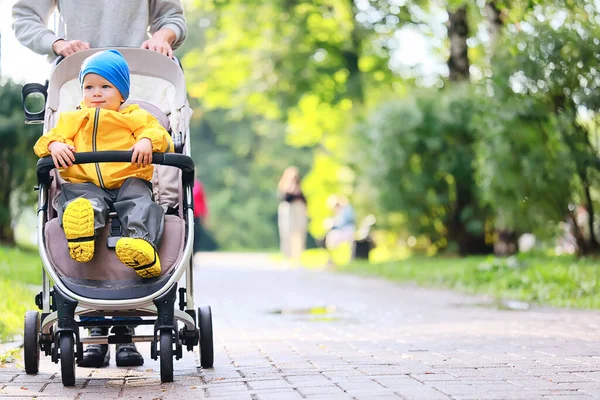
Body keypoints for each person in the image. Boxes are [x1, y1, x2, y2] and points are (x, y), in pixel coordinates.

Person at [14, 0, 187, 369]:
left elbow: (156, 132)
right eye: (89, 88)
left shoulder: (135, 114)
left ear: (121, 94)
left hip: (128, 176)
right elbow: (48, 140)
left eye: (104, 88)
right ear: (82, 91)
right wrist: (56, 144)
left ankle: (139, 249)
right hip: (86, 183)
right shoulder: (73, 117)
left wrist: (145, 142)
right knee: (80, 203)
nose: (95, 94)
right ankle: (93, 323)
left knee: (142, 204)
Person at [12, 1, 187, 59]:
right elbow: (24, 17)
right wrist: (56, 43)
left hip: (139, 80)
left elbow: (172, 18)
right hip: (73, 82)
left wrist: (162, 36)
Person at [277, 167, 308, 262]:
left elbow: (304, 201)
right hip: (288, 212)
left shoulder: (300, 187)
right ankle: (287, 256)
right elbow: (284, 199)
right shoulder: (284, 187)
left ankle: (298, 256)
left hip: (299, 211)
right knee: (287, 233)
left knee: (299, 234)